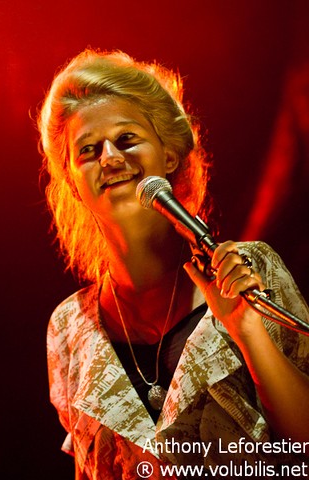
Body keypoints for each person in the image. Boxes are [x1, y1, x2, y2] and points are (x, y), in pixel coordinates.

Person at [37, 48, 309, 480]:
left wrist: (249, 330)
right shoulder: (68, 328)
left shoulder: (249, 269)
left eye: (126, 139)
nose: (109, 157)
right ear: (73, 181)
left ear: (168, 156)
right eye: (88, 149)